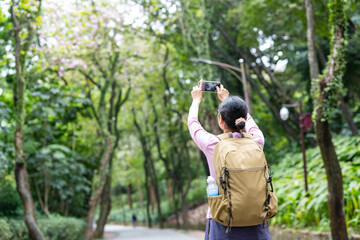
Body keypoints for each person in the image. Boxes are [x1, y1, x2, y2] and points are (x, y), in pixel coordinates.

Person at [187, 81, 270, 240]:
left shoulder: (214, 145)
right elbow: (250, 123)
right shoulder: (257, 141)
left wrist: (196, 100)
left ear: (220, 119)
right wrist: (227, 99)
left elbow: (193, 124)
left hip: (223, 222)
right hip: (257, 221)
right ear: (244, 118)